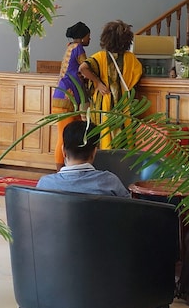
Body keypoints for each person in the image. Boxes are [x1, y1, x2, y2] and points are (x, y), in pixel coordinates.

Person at [79, 20, 143, 149]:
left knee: (104, 135)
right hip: (124, 104)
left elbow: (82, 68)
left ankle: (104, 158)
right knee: (125, 136)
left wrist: (98, 83)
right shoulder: (131, 59)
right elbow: (137, 76)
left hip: (104, 102)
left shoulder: (99, 56)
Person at [36, 120, 130, 197]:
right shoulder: (109, 182)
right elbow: (130, 208)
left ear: (63, 152)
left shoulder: (45, 184)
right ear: (94, 152)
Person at [52, 21, 91, 169]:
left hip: (63, 96)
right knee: (64, 137)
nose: (89, 39)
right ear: (82, 37)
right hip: (67, 99)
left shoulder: (70, 46)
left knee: (70, 137)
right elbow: (85, 67)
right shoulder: (78, 48)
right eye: (88, 36)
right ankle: (59, 171)